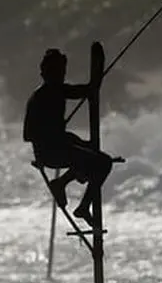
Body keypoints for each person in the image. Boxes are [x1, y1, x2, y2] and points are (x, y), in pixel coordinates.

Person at [23, 49, 122, 225]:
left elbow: (85, 91)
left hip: (56, 149)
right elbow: (31, 135)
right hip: (52, 153)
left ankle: (60, 183)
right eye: (58, 72)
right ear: (46, 73)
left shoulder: (51, 92)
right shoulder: (44, 96)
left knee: (90, 154)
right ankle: (83, 207)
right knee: (103, 163)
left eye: (62, 72)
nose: (61, 76)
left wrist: (81, 143)